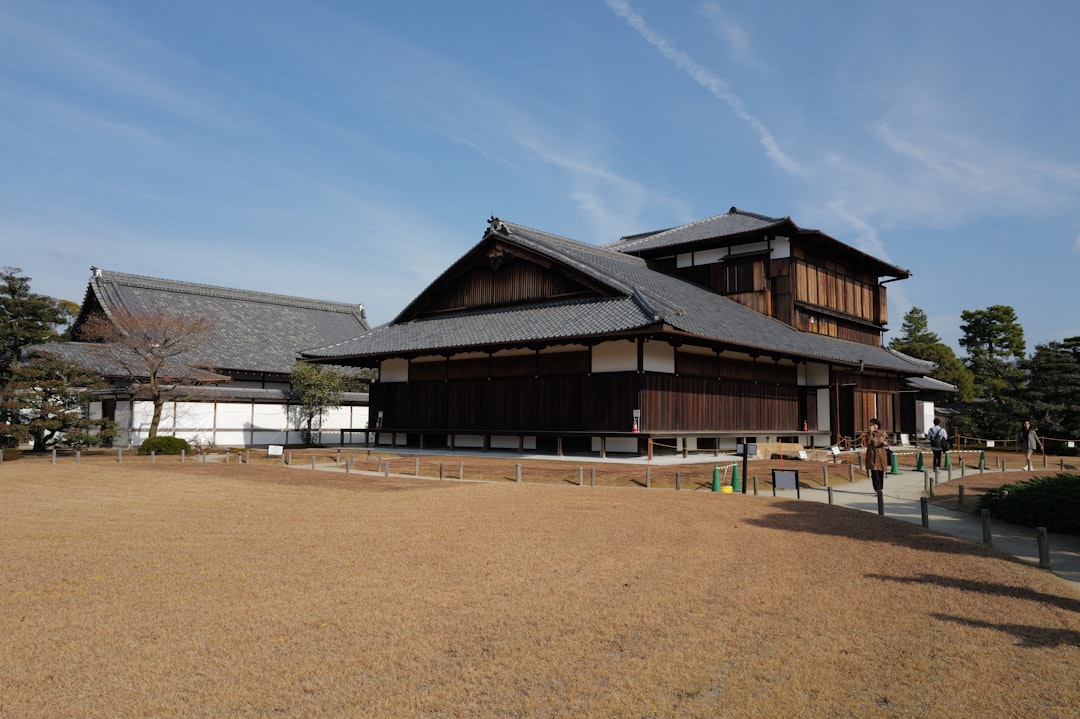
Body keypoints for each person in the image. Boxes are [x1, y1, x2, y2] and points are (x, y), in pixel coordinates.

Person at [864, 418, 890, 493]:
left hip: (881, 454)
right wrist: (870, 432)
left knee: (880, 472)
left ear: (877, 425)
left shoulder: (883, 433)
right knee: (874, 473)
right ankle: (877, 489)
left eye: (874, 425)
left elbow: (886, 442)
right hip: (872, 455)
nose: (872, 426)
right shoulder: (869, 434)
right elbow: (868, 442)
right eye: (871, 425)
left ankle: (880, 488)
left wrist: (885, 443)